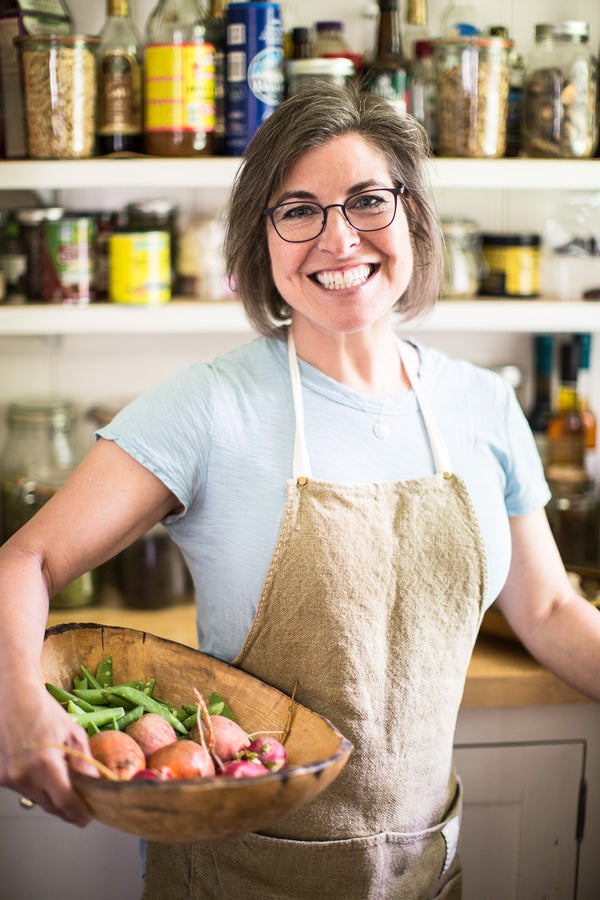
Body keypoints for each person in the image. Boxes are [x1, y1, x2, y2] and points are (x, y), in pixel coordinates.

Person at [1, 81, 600, 900]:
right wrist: (19, 707)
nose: (338, 236)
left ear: (412, 217)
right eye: (298, 210)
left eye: (367, 201)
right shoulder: (210, 405)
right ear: (264, 239)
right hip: (240, 872)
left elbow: (550, 609)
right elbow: (25, 559)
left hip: (423, 867)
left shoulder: (482, 403)